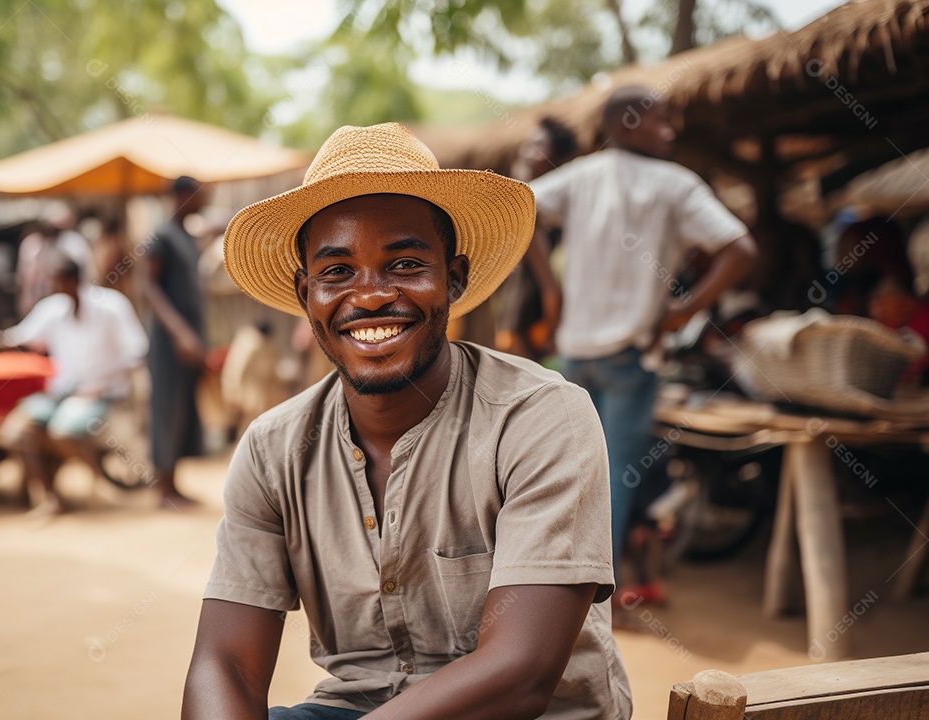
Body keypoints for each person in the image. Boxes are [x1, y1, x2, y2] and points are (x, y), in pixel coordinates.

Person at [183, 123, 631, 719]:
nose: (369, 296)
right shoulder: (272, 451)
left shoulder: (541, 418)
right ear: (304, 293)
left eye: (405, 263)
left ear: (455, 277)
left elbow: (520, 673)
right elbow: (225, 663)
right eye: (337, 271)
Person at [529, 86, 757, 585]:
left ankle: (559, 582)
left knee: (576, 472)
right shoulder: (675, 184)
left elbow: (522, 211)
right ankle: (593, 595)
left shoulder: (581, 176)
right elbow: (740, 248)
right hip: (630, 357)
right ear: (626, 123)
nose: (670, 131)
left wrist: (552, 292)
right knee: (614, 478)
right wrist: (683, 310)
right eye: (661, 121)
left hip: (575, 355)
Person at [0, 256, 147, 515]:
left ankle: (95, 470)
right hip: (62, 392)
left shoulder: (111, 307)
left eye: (61, 281)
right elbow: (17, 337)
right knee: (17, 430)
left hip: (101, 394)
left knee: (64, 430)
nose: (56, 288)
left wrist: (101, 386)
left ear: (75, 280)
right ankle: (50, 498)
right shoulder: (54, 309)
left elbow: (136, 352)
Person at [140, 176, 207, 507]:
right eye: (199, 194)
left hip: (189, 339)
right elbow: (149, 288)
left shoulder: (186, 236)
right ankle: (162, 488)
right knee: (166, 408)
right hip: (169, 342)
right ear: (182, 195)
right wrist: (180, 331)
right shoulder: (160, 237)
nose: (204, 199)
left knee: (182, 409)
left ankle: (173, 484)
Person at [495, 116, 579, 360]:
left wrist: (552, 332)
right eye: (528, 143)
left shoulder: (536, 216)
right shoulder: (538, 210)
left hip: (528, 323)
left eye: (538, 145)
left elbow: (550, 287)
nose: (526, 151)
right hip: (520, 321)